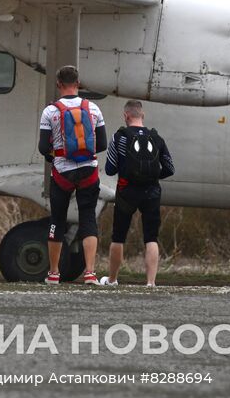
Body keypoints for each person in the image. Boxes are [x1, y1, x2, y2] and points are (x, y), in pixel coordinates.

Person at [38, 65, 106, 285]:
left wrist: (54, 157)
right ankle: (90, 273)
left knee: (57, 219)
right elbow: (102, 144)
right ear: (78, 83)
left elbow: (42, 147)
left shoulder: (50, 111)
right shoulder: (93, 109)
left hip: (62, 172)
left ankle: (54, 273)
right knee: (88, 218)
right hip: (88, 171)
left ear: (58, 84)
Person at [103, 100, 175, 287]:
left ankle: (112, 279)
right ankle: (150, 282)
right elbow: (170, 168)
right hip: (151, 192)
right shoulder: (156, 138)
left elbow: (109, 169)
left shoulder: (119, 137)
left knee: (118, 236)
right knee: (151, 238)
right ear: (142, 115)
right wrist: (153, 176)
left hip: (126, 191)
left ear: (126, 116)